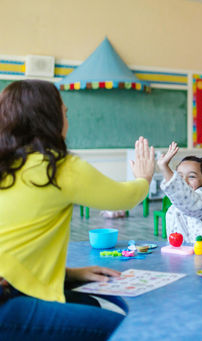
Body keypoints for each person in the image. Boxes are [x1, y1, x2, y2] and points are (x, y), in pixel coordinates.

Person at [0, 80, 155, 340]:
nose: (67, 119)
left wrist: (70, 274)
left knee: (90, 305)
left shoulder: (7, 164)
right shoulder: (58, 167)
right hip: (6, 300)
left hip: (10, 287)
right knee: (122, 327)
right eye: (65, 112)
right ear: (49, 118)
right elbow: (124, 198)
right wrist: (144, 178)